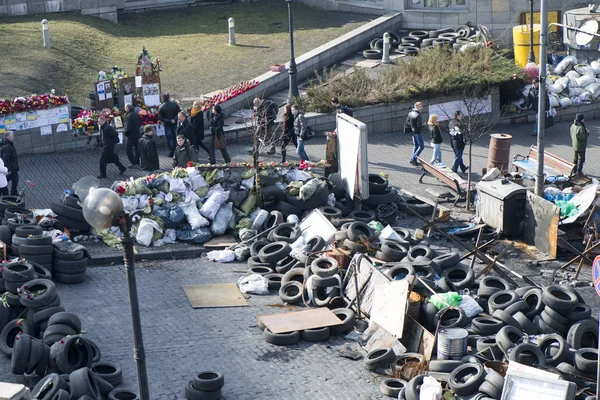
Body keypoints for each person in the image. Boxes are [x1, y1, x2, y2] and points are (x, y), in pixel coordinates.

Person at [449, 110, 468, 174]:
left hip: (452, 141)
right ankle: (454, 170)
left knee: (458, 155)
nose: (462, 116)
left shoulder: (451, 122)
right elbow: (460, 135)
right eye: (461, 115)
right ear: (457, 116)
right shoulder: (459, 124)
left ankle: (463, 167)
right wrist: (464, 141)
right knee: (458, 157)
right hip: (459, 143)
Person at [407, 102, 425, 166]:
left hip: (412, 132)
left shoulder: (410, 113)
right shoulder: (418, 115)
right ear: (417, 107)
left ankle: (414, 160)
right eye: (420, 106)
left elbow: (408, 121)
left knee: (416, 146)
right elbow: (419, 125)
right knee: (421, 146)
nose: (422, 107)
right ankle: (413, 159)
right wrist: (424, 125)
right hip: (417, 132)